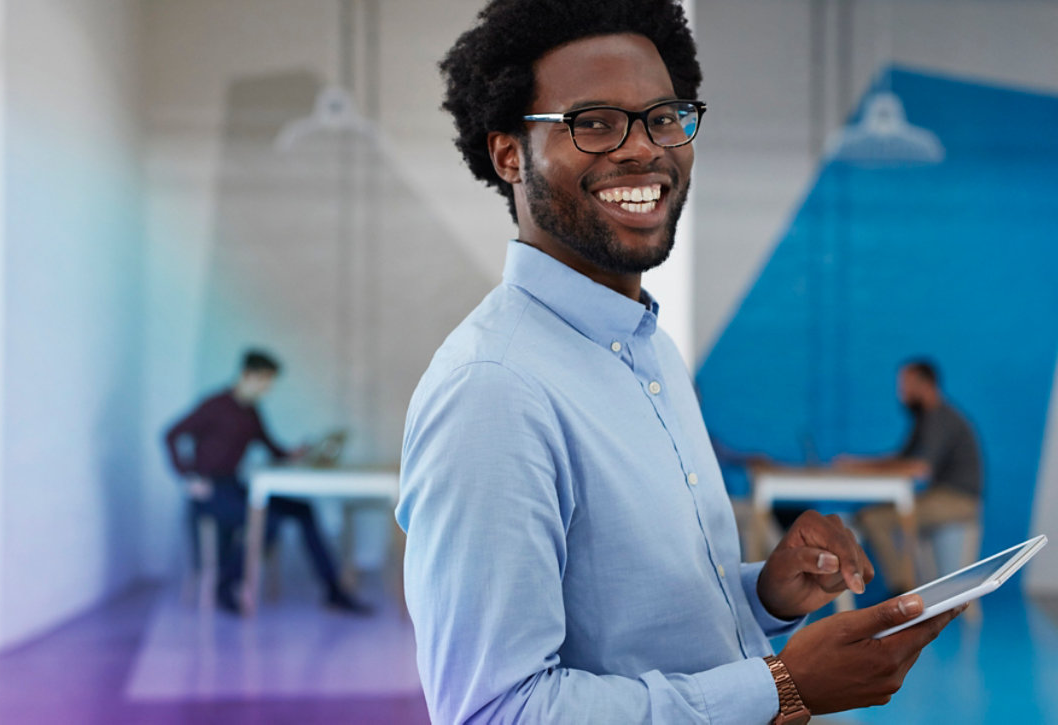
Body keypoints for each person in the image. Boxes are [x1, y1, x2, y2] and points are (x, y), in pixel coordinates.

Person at [396, 2, 964, 722]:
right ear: (510, 153)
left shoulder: (649, 348)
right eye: (594, 123)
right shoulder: (493, 391)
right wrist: (780, 687)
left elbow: (637, 626)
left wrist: (764, 595)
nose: (644, 150)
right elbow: (495, 710)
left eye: (663, 117)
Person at [165, 350, 370, 615]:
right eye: (264, 381)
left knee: (303, 511)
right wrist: (188, 476)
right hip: (210, 492)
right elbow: (172, 434)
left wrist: (300, 452)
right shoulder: (215, 405)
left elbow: (274, 449)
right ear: (246, 375)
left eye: (270, 382)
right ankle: (225, 585)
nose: (267, 388)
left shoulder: (252, 412)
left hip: (236, 486)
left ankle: (334, 591)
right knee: (267, 522)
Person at [838, 359, 983, 593]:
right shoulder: (925, 419)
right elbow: (900, 459)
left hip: (957, 501)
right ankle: (904, 589)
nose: (901, 394)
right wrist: (860, 463)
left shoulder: (938, 418)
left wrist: (863, 468)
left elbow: (917, 468)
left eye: (905, 386)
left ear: (925, 384)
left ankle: (902, 592)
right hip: (943, 496)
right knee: (872, 515)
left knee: (875, 519)